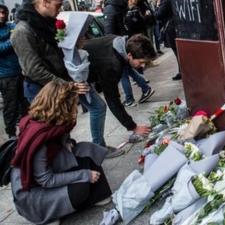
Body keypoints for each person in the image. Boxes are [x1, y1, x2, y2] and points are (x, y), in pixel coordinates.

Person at [11, 0, 119, 157]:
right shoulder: (22, 31)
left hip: (67, 79)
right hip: (44, 89)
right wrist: (69, 86)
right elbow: (34, 70)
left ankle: (97, 147)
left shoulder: (48, 22)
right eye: (58, 4)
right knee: (58, 128)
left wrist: (76, 45)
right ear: (44, 2)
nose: (60, 8)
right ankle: (66, 163)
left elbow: (61, 52)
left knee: (96, 107)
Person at [10, 81, 112, 225]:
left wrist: (66, 142)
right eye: (74, 104)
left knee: (87, 149)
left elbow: (59, 136)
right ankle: (50, 214)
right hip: (34, 196)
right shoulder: (39, 138)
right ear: (63, 107)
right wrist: (85, 174)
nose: (75, 108)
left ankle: (97, 195)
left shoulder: (49, 123)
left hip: (49, 170)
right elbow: (45, 180)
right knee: (81, 188)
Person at [83, 34, 156, 137]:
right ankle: (99, 148)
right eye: (141, 62)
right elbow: (112, 99)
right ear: (130, 55)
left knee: (98, 107)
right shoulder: (112, 64)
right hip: (72, 76)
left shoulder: (120, 44)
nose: (143, 66)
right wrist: (133, 127)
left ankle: (98, 147)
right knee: (98, 108)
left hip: (85, 69)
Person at [0, 4, 28, 138]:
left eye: (3, 12)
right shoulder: (10, 31)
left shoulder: (10, 27)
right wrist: (12, 39)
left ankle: (27, 129)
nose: (2, 15)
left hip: (20, 71)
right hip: (5, 76)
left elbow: (18, 33)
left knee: (25, 103)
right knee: (11, 106)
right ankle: (11, 135)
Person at [120, 0, 155, 106]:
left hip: (132, 43)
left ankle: (130, 98)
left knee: (124, 73)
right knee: (129, 71)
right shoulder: (137, 10)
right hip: (133, 42)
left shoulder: (131, 12)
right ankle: (145, 88)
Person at [155, 0, 181, 80]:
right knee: (178, 50)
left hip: (171, 27)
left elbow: (159, 15)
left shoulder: (165, 1)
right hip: (176, 25)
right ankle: (181, 71)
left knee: (177, 50)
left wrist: (157, 6)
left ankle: (182, 71)